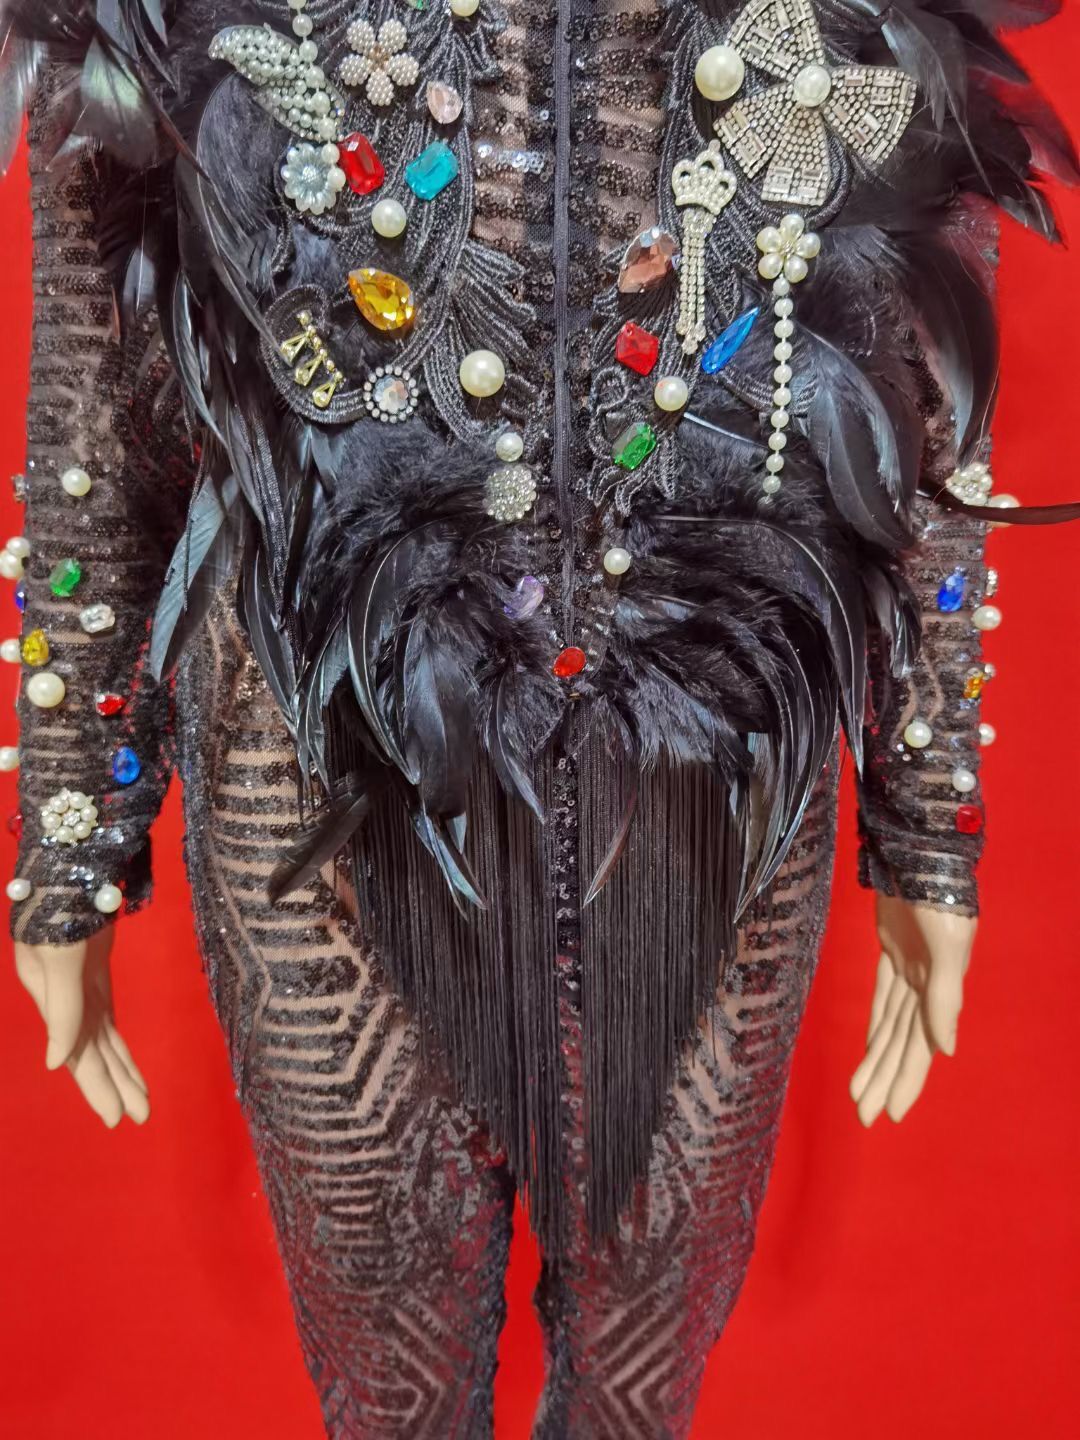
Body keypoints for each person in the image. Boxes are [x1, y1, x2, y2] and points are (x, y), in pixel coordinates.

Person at [3, 1, 1071, 1435]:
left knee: (640, 1385)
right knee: (391, 1385)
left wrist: (929, 809)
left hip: (719, 777)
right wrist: (73, 829)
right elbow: (100, 392)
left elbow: (923, 371)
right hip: (321, 782)